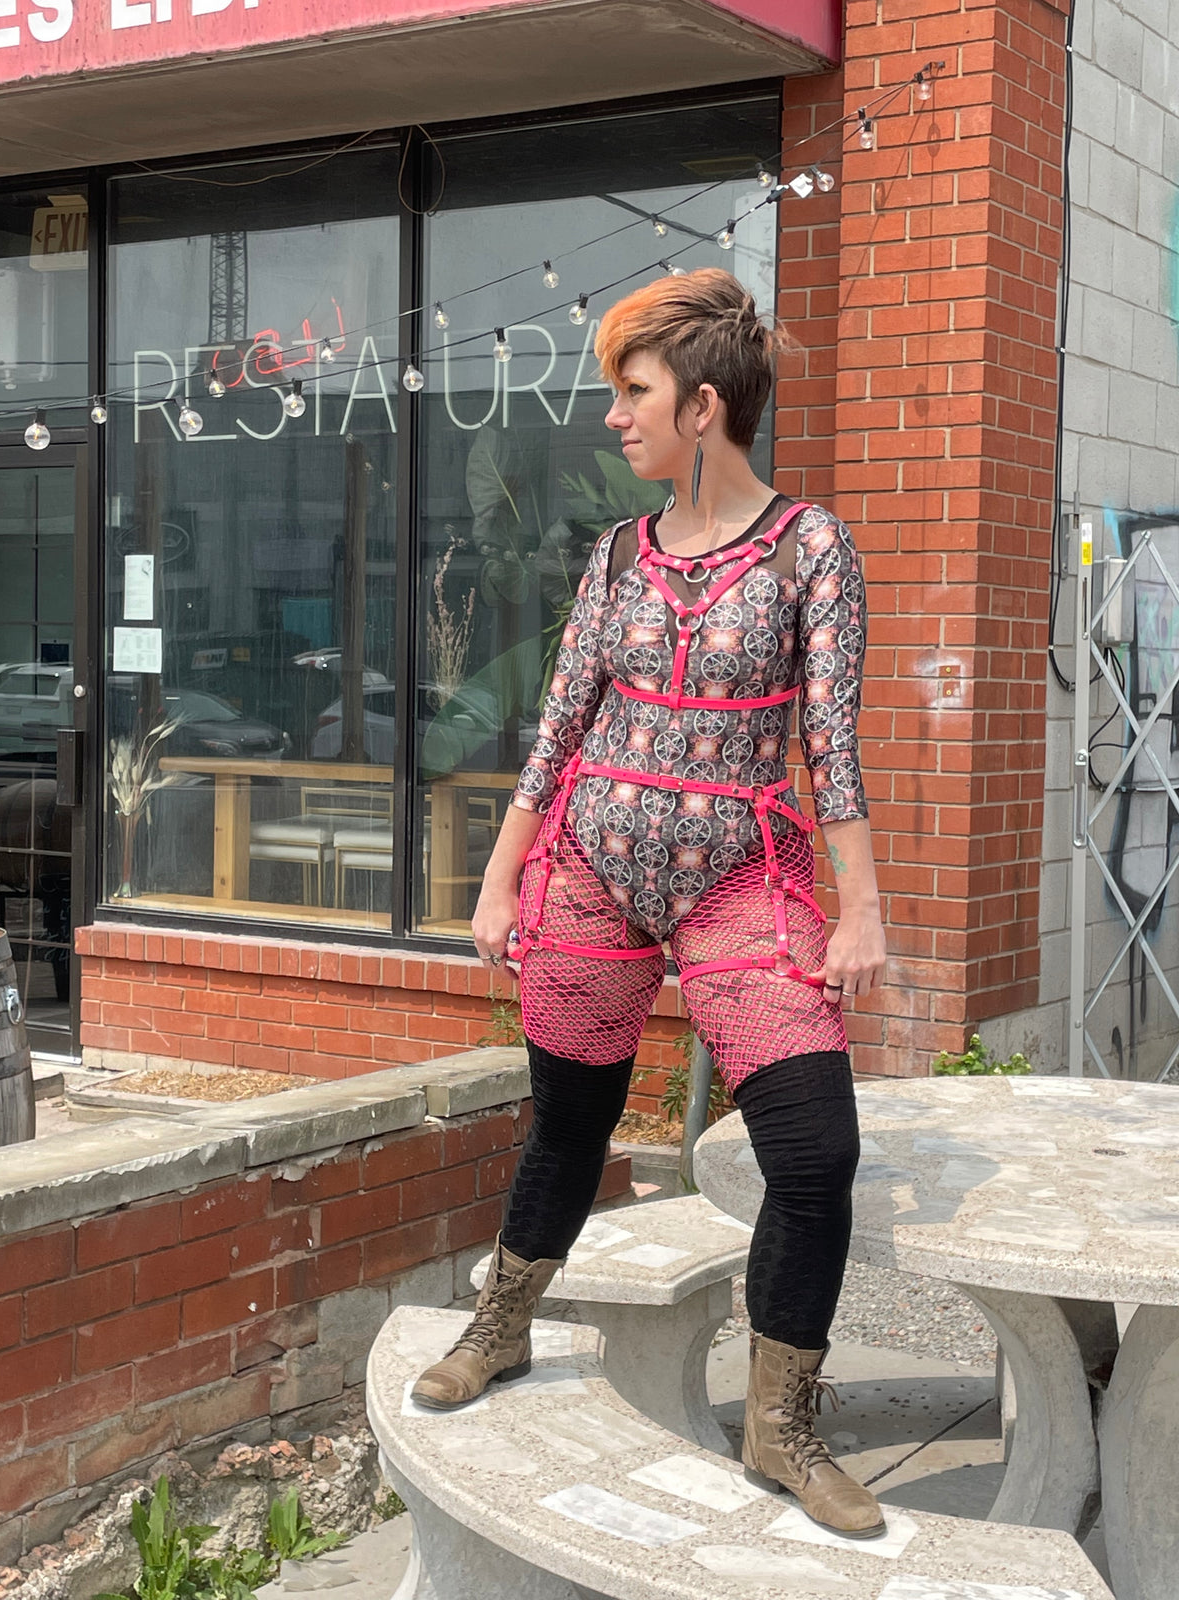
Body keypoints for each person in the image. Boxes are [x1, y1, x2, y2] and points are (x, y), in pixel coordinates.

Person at [413, 268, 887, 1539]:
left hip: (746, 877)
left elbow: (831, 744)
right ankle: (502, 1329)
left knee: (814, 1150)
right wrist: (503, 872)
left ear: (706, 406)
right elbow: (559, 723)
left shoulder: (811, 550)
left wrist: (861, 911)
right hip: (591, 873)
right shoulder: (617, 554)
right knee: (566, 1123)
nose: (613, 417)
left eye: (634, 391)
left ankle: (780, 1426)